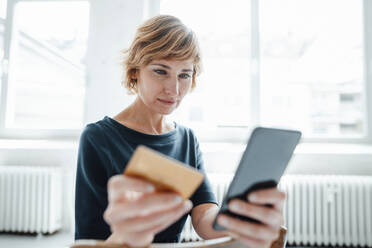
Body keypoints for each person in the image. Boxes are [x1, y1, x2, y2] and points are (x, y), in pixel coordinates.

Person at [75, 15, 285, 248]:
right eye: (160, 71)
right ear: (135, 71)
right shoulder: (98, 138)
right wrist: (127, 236)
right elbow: (88, 241)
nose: (174, 89)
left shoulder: (187, 139)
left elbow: (204, 216)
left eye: (184, 75)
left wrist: (237, 218)